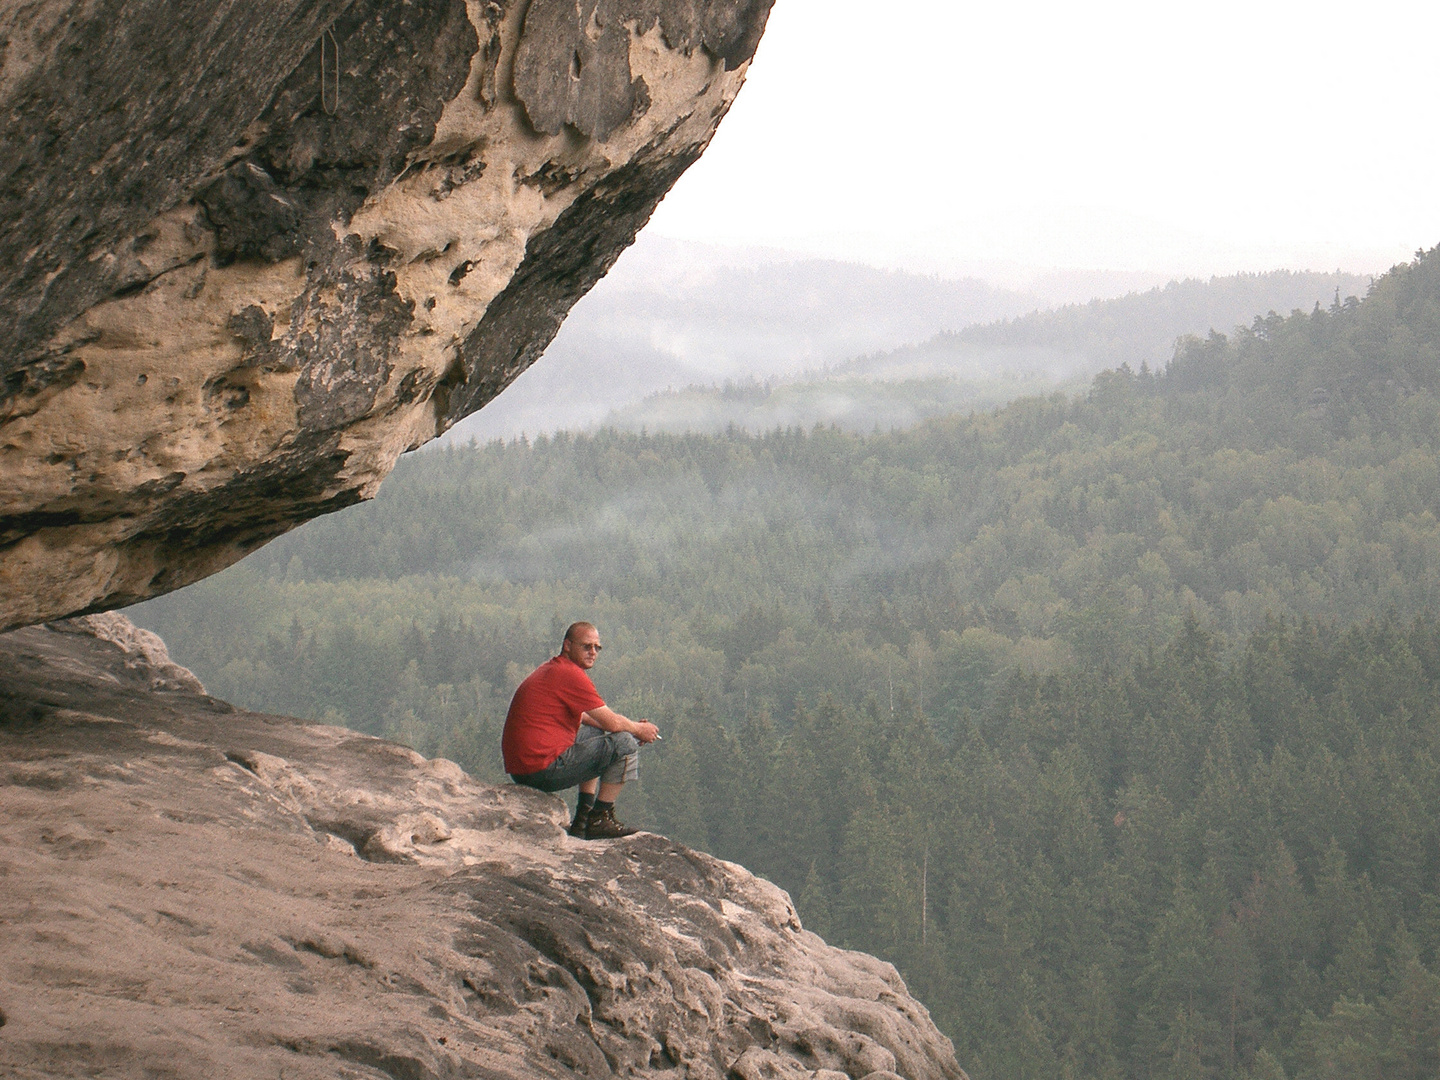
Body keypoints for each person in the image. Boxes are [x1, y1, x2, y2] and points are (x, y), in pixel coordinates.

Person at [502, 621, 659, 840]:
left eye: (597, 647)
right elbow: (613, 723)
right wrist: (638, 730)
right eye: (587, 646)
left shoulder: (554, 669)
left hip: (524, 768)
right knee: (624, 742)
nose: (593, 652)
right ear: (567, 645)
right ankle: (600, 818)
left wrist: (634, 727)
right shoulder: (569, 674)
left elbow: (589, 718)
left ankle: (583, 818)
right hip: (541, 769)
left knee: (600, 735)